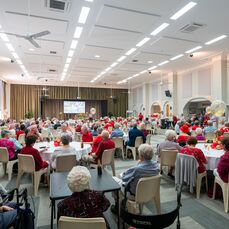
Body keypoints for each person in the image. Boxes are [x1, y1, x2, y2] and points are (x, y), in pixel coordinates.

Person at [111, 144, 159, 213]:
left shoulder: (137, 169)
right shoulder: (156, 166)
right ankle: (122, 203)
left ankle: (117, 206)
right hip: (150, 191)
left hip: (134, 194)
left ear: (141, 156)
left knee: (114, 180)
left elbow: (124, 178)